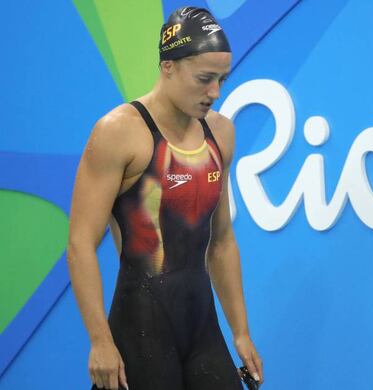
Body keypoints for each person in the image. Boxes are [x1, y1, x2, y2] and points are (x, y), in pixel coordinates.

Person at [67, 6, 263, 390]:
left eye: (222, 79)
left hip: (201, 325)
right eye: (205, 78)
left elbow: (221, 241)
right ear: (168, 66)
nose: (215, 93)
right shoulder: (119, 132)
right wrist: (99, 341)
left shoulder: (220, 134)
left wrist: (240, 331)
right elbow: (80, 244)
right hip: (140, 327)